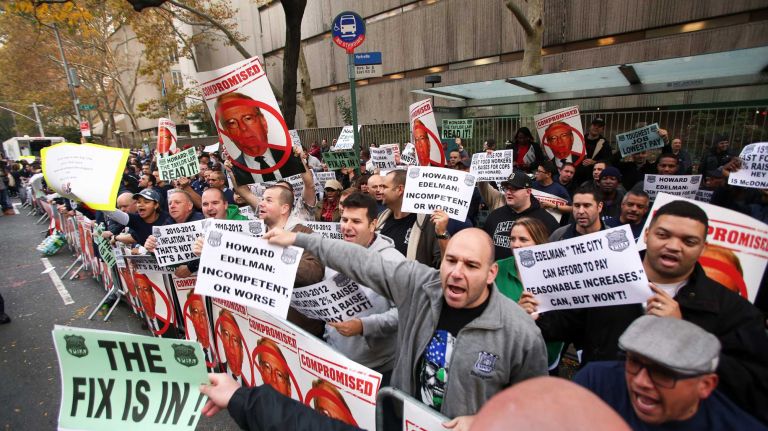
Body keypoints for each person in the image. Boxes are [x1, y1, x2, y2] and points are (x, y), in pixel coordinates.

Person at [263, 226, 547, 423]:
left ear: (491, 273)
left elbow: (534, 408)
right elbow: (360, 261)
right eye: (451, 261)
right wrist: (299, 239)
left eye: (471, 265)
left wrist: (484, 421)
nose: (456, 273)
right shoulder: (419, 285)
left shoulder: (520, 332)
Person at [530, 200, 768, 423]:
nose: (673, 246)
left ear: (703, 248)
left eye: (688, 241)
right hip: (600, 407)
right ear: (646, 234)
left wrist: (683, 334)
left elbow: (753, 386)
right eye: (663, 235)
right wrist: (534, 316)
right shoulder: (604, 279)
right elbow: (564, 324)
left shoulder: (733, 310)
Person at [575, 316, 768, 430]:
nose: (640, 381)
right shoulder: (596, 383)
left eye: (662, 373)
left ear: (705, 385)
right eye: (634, 362)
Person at [324, 192, 401, 379]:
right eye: (344, 220)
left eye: (356, 221)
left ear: (373, 224)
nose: (347, 227)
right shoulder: (332, 254)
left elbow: (406, 313)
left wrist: (364, 326)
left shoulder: (394, 263)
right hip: (333, 358)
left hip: (376, 370)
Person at [495, 217, 564, 371]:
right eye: (512, 239)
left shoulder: (556, 273)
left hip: (543, 360)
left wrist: (538, 318)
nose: (515, 244)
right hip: (505, 357)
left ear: (539, 242)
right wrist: (517, 312)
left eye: (523, 239)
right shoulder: (498, 268)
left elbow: (564, 323)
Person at [216, 92, 304, 185]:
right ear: (227, 133)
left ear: (263, 122)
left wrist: (302, 162)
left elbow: (308, 186)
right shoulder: (235, 170)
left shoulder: (292, 156)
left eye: (248, 118)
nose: (243, 128)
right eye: (232, 123)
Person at [481, 171, 559, 260]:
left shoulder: (546, 220)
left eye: (514, 189)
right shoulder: (495, 216)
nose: (508, 192)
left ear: (528, 191)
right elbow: (484, 247)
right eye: (506, 188)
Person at [376, 170, 440, 267]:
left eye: (384, 187)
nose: (380, 191)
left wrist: (442, 234)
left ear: (399, 190)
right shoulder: (380, 219)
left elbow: (441, 262)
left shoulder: (428, 223)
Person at [574, 118, 612, 184]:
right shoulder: (579, 140)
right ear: (590, 126)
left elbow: (608, 161)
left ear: (602, 129)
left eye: (599, 126)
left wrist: (595, 162)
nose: (596, 127)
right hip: (576, 177)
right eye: (594, 125)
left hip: (594, 179)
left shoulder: (605, 144)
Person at [217, 309, 249, 386]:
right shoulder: (216, 370)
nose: (230, 345)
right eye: (226, 335)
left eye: (235, 340)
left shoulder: (251, 385)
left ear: (242, 351)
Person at [185, 290, 216, 367]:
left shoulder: (221, 357)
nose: (200, 320)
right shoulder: (188, 352)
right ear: (191, 316)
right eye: (196, 312)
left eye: (203, 314)